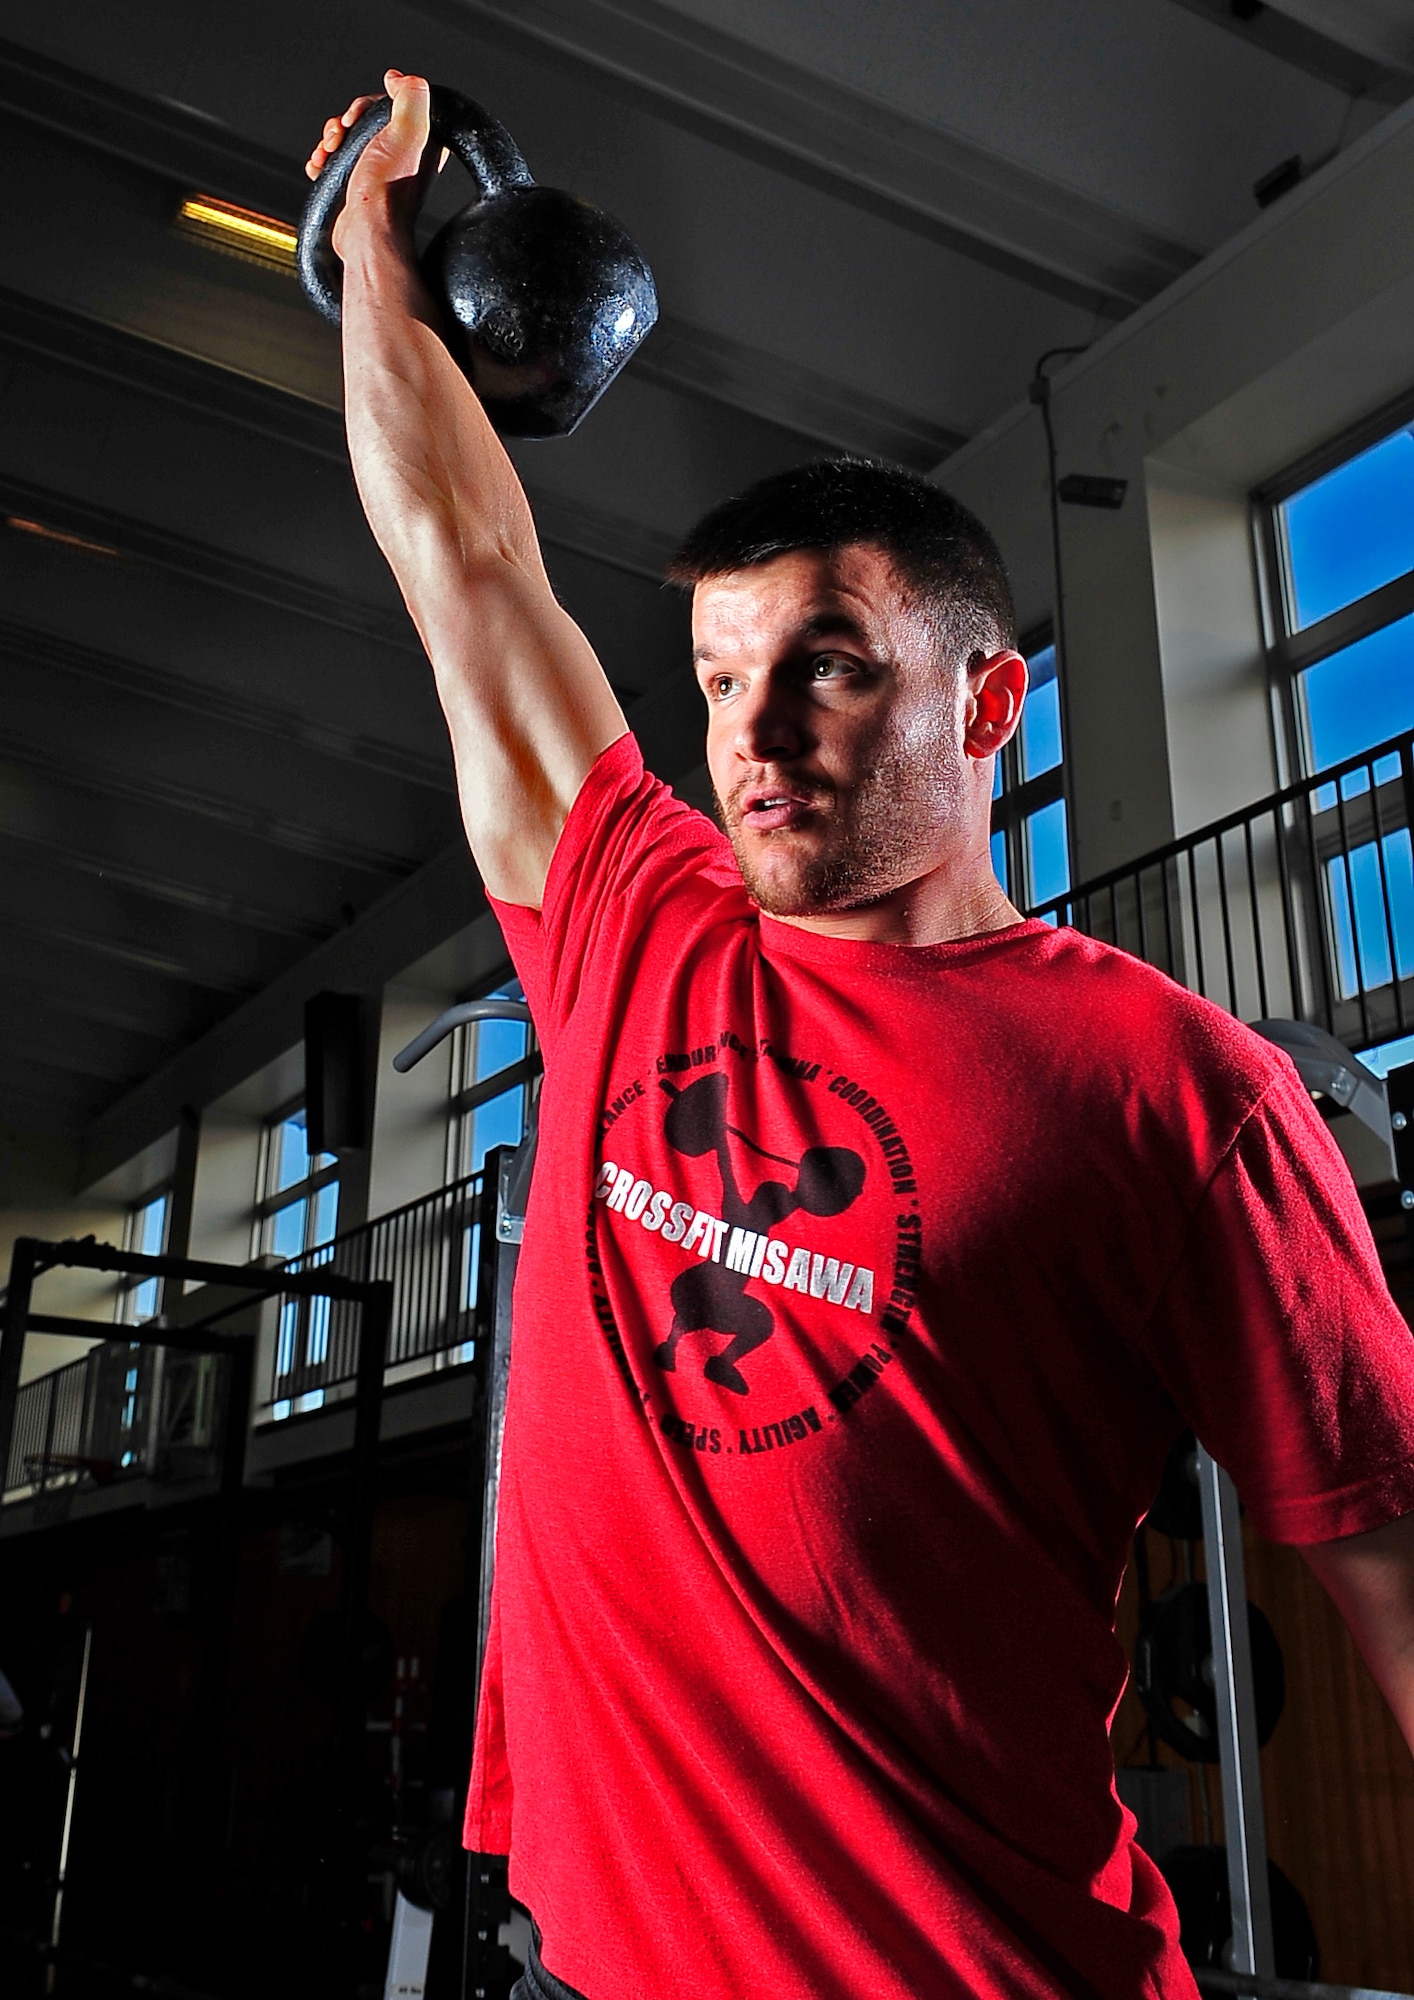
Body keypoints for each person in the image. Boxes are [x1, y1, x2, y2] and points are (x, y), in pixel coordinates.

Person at [307, 73, 1414, 2000]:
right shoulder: (625, 927)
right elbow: (465, 562)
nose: (748, 734)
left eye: (823, 666)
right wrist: (370, 268)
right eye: (721, 677)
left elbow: (1393, 1568)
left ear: (988, 711)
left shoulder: (1171, 1092)